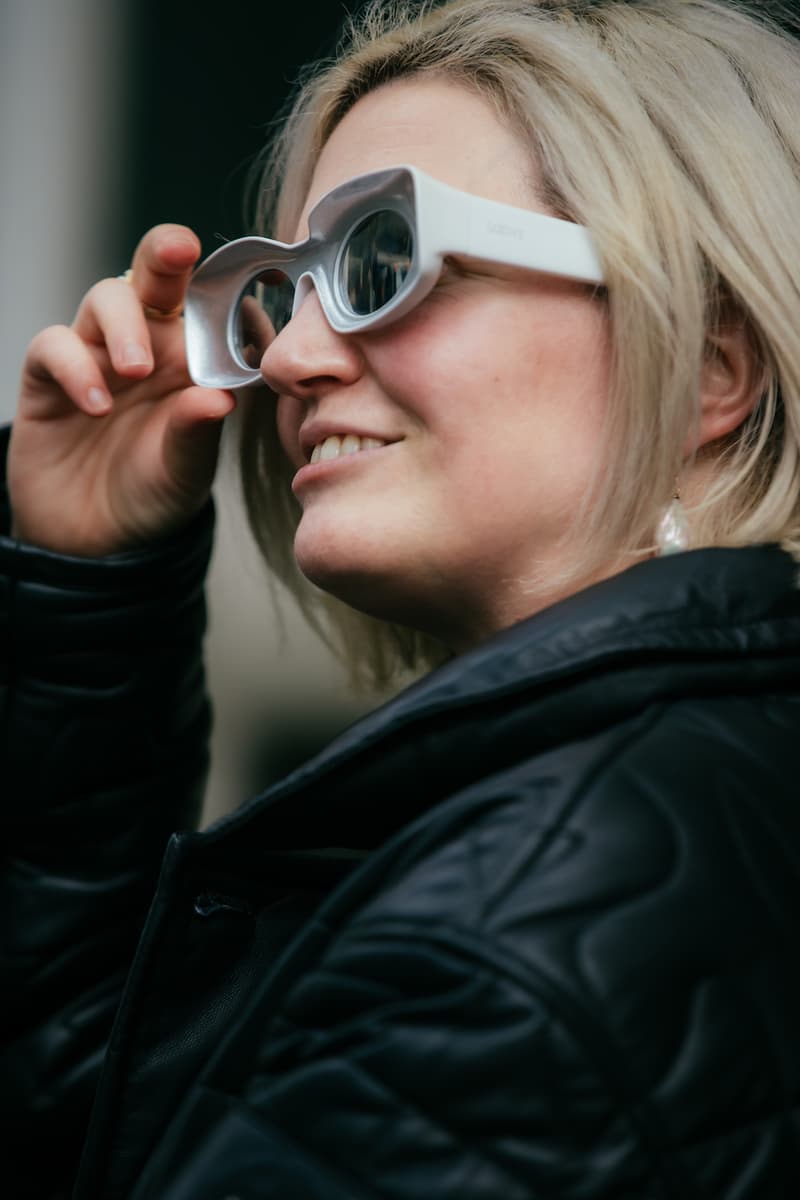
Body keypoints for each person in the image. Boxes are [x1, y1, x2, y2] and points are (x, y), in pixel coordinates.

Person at [3, 0, 800, 1195]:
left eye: (380, 259)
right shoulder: (674, 802)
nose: (286, 357)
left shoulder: (522, 914)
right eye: (286, 286)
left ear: (706, 367)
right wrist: (85, 590)